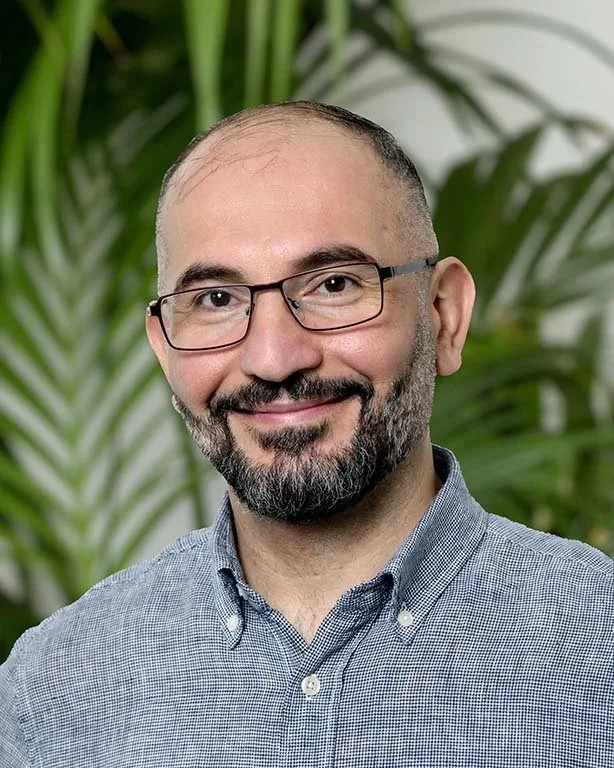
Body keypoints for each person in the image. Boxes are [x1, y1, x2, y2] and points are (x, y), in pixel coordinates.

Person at [0, 101, 612, 768]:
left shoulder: (598, 648)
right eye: (215, 299)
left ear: (444, 315)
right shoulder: (49, 693)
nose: (274, 357)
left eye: (334, 284)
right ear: (165, 349)